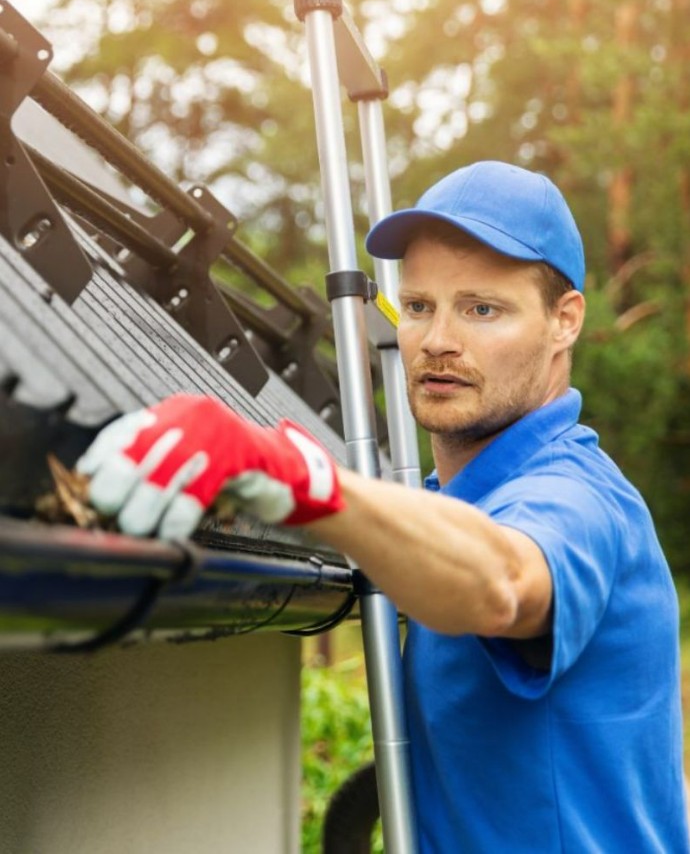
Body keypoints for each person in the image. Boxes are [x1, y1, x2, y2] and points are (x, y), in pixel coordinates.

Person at [77, 161, 689, 851]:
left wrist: (301, 476)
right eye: (420, 306)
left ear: (564, 321)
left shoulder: (577, 497)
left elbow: (504, 583)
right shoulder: (445, 505)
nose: (437, 341)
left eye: (482, 308)